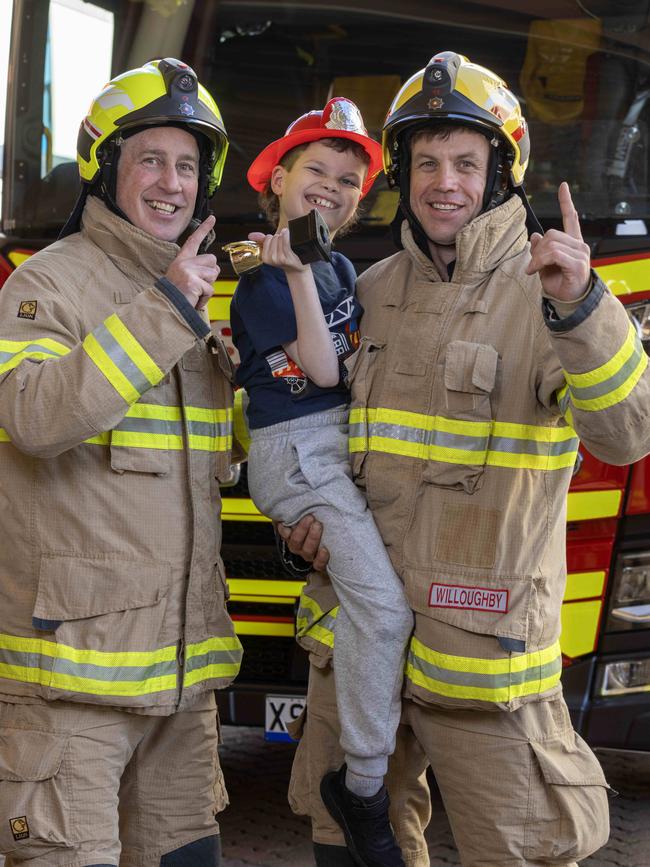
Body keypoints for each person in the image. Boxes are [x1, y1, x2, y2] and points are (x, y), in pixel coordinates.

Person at [281, 51, 650, 866]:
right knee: (346, 846)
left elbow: (627, 434)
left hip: (482, 664)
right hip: (358, 654)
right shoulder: (365, 288)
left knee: (517, 852)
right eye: (425, 162)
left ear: (500, 174)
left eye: (465, 163)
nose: (443, 182)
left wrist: (584, 309)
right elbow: (314, 438)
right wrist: (299, 523)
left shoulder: (550, 292)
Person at [0, 58, 243, 867]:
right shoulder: (45, 286)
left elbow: (209, 473)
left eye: (187, 165)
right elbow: (33, 416)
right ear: (106, 167)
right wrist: (165, 312)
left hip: (180, 690)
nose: (171, 182)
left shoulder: (194, 300)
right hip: (71, 692)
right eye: (150, 159)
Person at [229, 97, 414, 866]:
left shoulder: (339, 266)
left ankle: (359, 769)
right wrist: (298, 273)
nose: (332, 187)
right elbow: (325, 368)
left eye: (349, 178)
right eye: (316, 170)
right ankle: (362, 784)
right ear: (277, 180)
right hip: (299, 453)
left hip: (333, 447)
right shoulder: (269, 278)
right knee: (385, 609)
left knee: (373, 609)